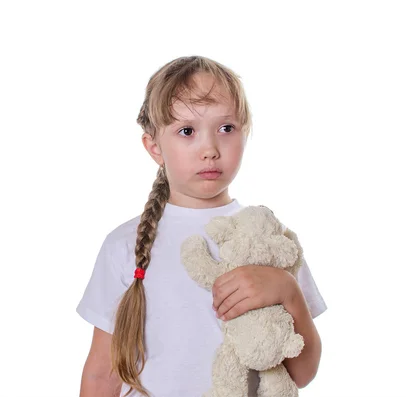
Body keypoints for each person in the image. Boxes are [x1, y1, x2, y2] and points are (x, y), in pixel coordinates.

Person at [76, 55, 327, 397]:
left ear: (245, 134)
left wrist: (288, 292)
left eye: (226, 128)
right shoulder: (124, 245)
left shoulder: (267, 236)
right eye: (187, 131)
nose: (209, 149)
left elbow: (302, 373)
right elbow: (101, 374)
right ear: (154, 147)